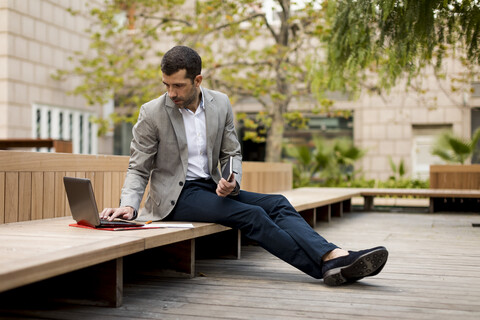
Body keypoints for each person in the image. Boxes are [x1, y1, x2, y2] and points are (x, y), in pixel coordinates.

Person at [100, 45, 388, 286]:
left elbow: (232, 152)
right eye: (166, 85)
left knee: (278, 203)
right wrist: (129, 205)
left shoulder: (220, 103)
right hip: (176, 198)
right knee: (252, 215)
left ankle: (333, 256)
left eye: (178, 85)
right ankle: (324, 265)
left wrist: (231, 177)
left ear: (197, 81)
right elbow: (138, 168)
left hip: (211, 189)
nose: (171, 93)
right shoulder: (152, 113)